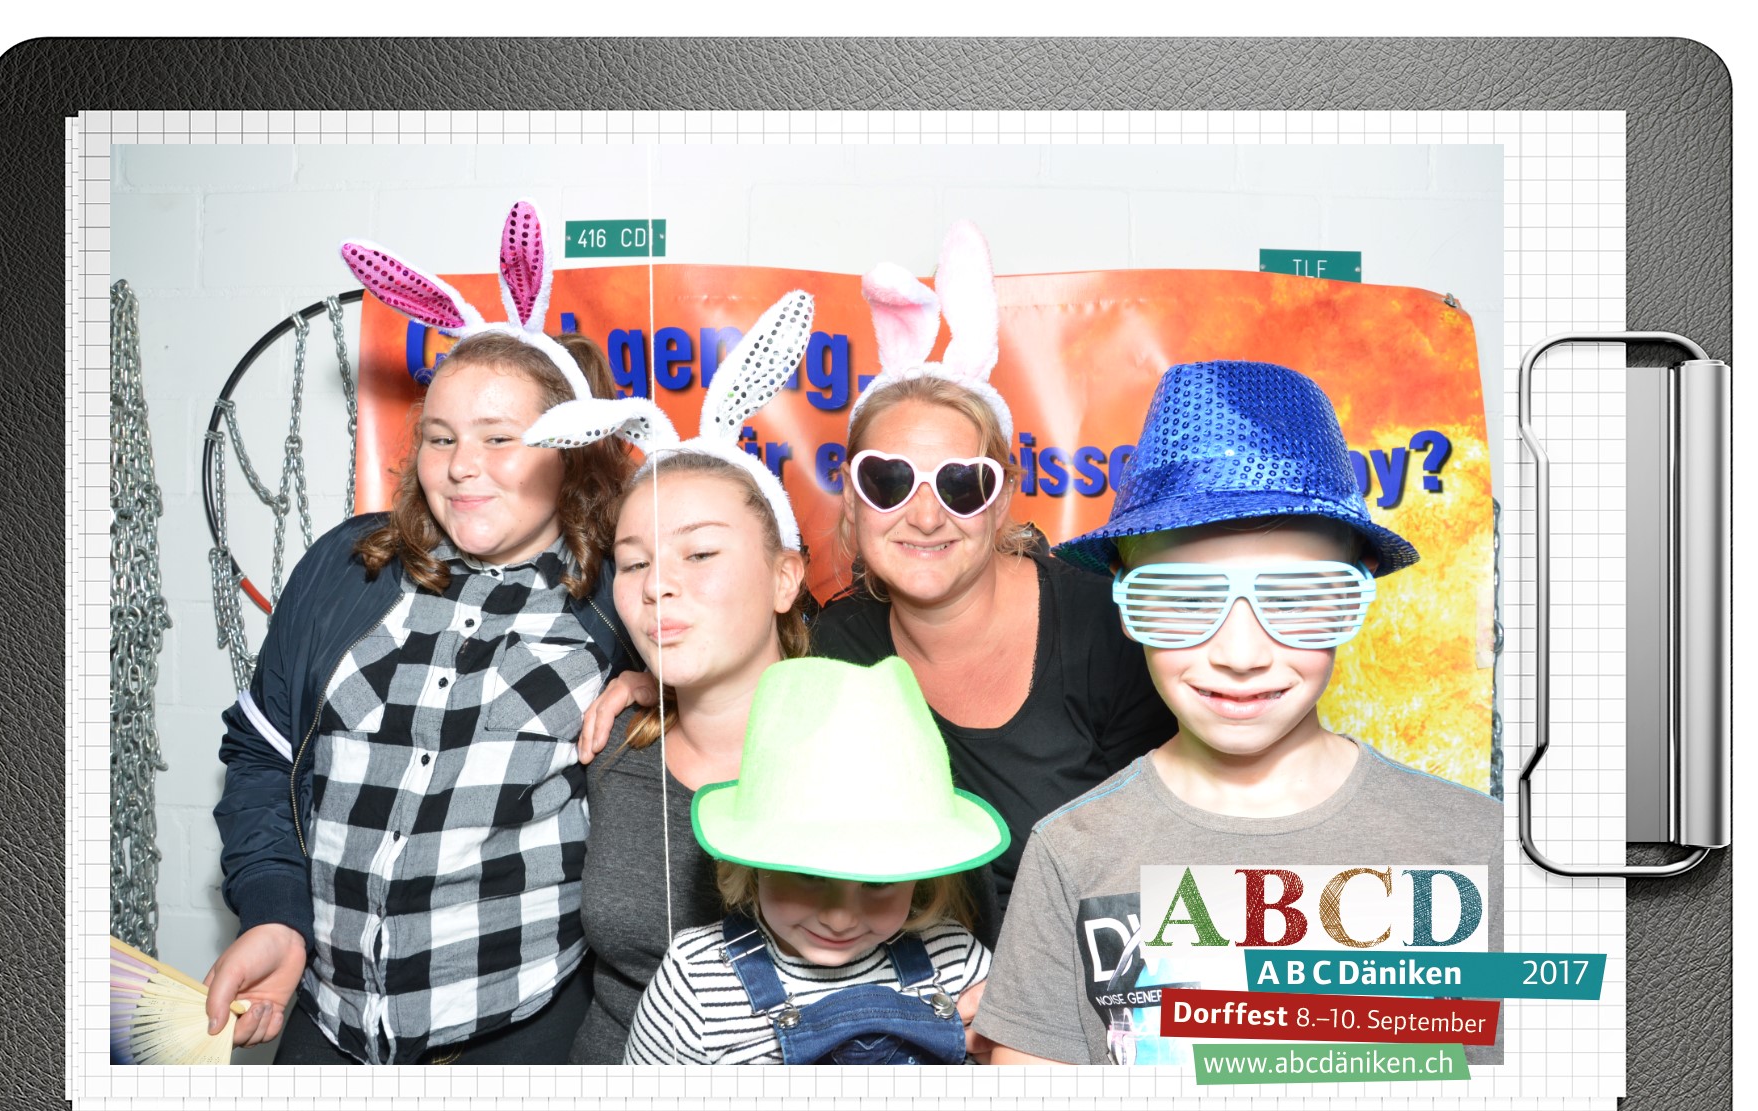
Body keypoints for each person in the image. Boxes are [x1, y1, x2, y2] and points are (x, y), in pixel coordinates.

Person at [973, 360, 1504, 1066]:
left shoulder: (1479, 845)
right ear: (1124, 595)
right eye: (1184, 598)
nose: (1242, 653)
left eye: (1297, 596)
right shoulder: (1071, 854)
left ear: (1359, 587)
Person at [205, 201, 636, 1066]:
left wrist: (668, 687)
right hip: (323, 1036)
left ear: (569, 448)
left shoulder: (625, 597)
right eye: (440, 437)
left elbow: (766, 679)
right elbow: (260, 758)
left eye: (500, 438)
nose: (461, 466)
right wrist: (276, 914)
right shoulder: (345, 570)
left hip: (521, 1047)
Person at [811, 220, 1176, 929]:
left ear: (1002, 498)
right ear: (853, 497)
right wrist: (656, 682)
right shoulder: (841, 644)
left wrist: (1022, 989)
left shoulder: (1105, 627)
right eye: (889, 480)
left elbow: (1168, 869)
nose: (925, 517)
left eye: (961, 484)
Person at [520, 290, 821, 1065]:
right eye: (634, 563)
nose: (657, 585)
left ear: (784, 578)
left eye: (701, 553)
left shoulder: (861, 747)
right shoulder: (609, 743)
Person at [623, 656, 1006, 1066]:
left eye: (878, 883)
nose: (839, 919)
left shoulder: (955, 959)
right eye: (809, 875)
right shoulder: (695, 982)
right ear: (754, 864)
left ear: (920, 876)